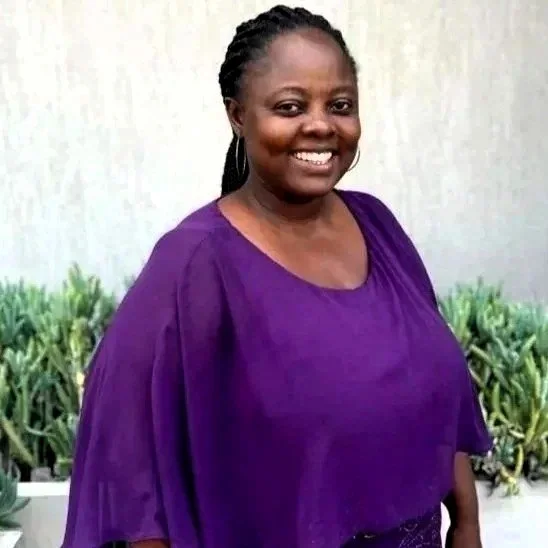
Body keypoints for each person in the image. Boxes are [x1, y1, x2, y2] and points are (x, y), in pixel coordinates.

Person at [62, 5, 492, 548]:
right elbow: (131, 468)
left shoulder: (377, 226)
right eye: (291, 106)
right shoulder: (195, 264)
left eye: (340, 105)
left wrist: (467, 523)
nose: (321, 124)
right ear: (237, 115)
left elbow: (435, 393)